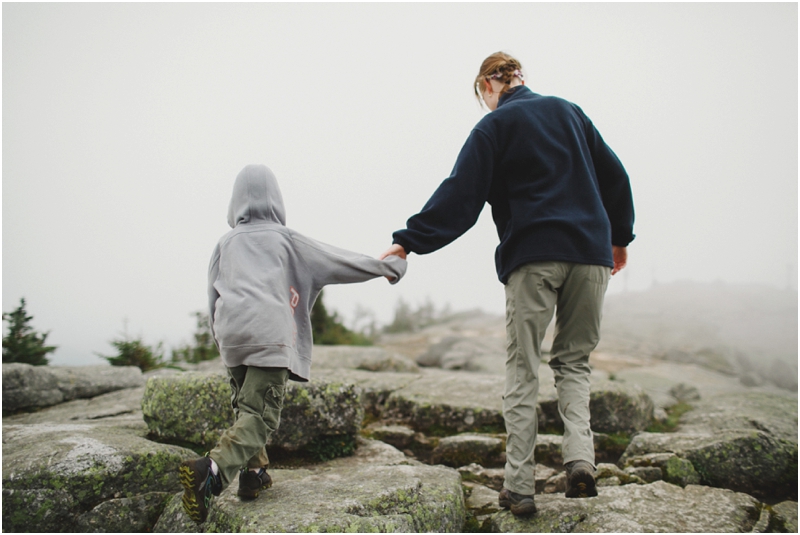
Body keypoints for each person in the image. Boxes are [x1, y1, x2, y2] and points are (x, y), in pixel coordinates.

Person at [381, 51, 634, 516]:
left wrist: (407, 243)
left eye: (482, 95)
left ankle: (520, 487)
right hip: (591, 255)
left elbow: (460, 195)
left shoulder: (493, 126)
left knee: (523, 370)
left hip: (533, 256)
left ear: (487, 87)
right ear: (520, 77)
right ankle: (581, 461)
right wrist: (620, 238)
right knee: (574, 362)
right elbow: (615, 176)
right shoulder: (568, 111)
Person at [179, 164, 407, 524]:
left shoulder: (225, 243)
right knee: (259, 416)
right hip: (269, 334)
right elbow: (340, 262)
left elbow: (212, 295)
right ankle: (212, 470)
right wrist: (387, 267)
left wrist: (221, 339)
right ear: (276, 199)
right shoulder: (287, 239)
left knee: (246, 406)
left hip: (232, 335)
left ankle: (254, 476)